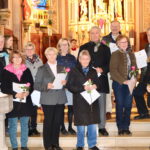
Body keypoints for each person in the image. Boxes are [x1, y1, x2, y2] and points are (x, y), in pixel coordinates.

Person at [79, 26, 111, 136]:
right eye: (92, 33)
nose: (94, 35)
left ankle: (102, 127)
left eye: (96, 33)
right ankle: (90, 127)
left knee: (102, 105)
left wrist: (102, 69)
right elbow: (79, 63)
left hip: (101, 80)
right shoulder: (84, 47)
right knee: (90, 105)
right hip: (88, 81)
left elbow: (109, 64)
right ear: (89, 34)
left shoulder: (106, 48)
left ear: (100, 34)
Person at [34, 47, 67, 150]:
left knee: (57, 122)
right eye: (49, 54)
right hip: (48, 99)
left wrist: (65, 83)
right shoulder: (42, 69)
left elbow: (66, 82)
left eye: (54, 54)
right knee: (48, 122)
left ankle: (55, 144)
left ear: (57, 55)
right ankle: (48, 145)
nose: (52, 56)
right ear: (46, 56)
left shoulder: (62, 67)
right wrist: (46, 86)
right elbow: (36, 85)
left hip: (60, 98)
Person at [66, 50, 100, 150]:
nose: (85, 61)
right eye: (83, 59)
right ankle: (80, 145)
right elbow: (69, 86)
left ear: (90, 60)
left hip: (92, 102)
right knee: (80, 125)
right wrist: (82, 88)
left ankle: (92, 144)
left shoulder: (93, 71)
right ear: (79, 59)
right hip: (79, 101)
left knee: (92, 124)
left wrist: (95, 85)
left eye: (87, 59)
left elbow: (100, 85)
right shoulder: (73, 70)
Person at [1, 50, 34, 150]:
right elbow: (4, 88)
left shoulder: (26, 70)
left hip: (25, 102)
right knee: (13, 126)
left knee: (25, 125)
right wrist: (16, 94)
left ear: (22, 59)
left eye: (19, 57)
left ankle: (24, 146)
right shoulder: (6, 71)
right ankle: (14, 147)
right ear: (11, 59)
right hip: (12, 102)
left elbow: (31, 84)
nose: (17, 59)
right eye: (15, 57)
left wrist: (27, 92)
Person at [110, 35, 137, 135]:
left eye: (125, 42)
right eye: (122, 42)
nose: (124, 44)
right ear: (117, 44)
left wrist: (134, 77)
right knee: (120, 105)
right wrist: (123, 81)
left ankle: (126, 126)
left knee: (128, 105)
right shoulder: (115, 54)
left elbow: (135, 68)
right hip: (119, 84)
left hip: (130, 83)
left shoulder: (131, 54)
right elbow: (113, 71)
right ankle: (120, 127)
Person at [102, 20, 121, 120]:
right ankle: (108, 111)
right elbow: (102, 52)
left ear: (120, 27)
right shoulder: (105, 39)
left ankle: (119, 110)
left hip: (120, 69)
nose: (114, 28)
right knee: (108, 89)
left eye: (116, 26)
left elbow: (129, 50)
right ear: (110, 27)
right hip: (109, 67)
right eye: (113, 26)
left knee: (119, 90)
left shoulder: (123, 38)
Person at [57, 38, 76, 135]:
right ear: (59, 46)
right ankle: (62, 127)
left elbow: (75, 71)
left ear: (69, 46)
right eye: (62, 44)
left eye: (66, 44)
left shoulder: (72, 58)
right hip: (59, 86)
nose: (64, 46)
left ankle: (70, 126)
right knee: (60, 108)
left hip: (70, 85)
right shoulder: (56, 57)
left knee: (71, 107)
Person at [24, 41, 43, 136]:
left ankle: (34, 127)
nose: (29, 51)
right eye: (27, 49)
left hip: (36, 87)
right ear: (25, 50)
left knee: (34, 108)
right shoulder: (23, 60)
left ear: (34, 50)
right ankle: (27, 128)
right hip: (26, 87)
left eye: (31, 49)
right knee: (27, 108)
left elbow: (42, 72)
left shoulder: (39, 60)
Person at [133, 27, 150, 119]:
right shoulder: (147, 46)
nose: (149, 37)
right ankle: (144, 113)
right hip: (145, 76)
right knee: (137, 92)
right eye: (148, 35)